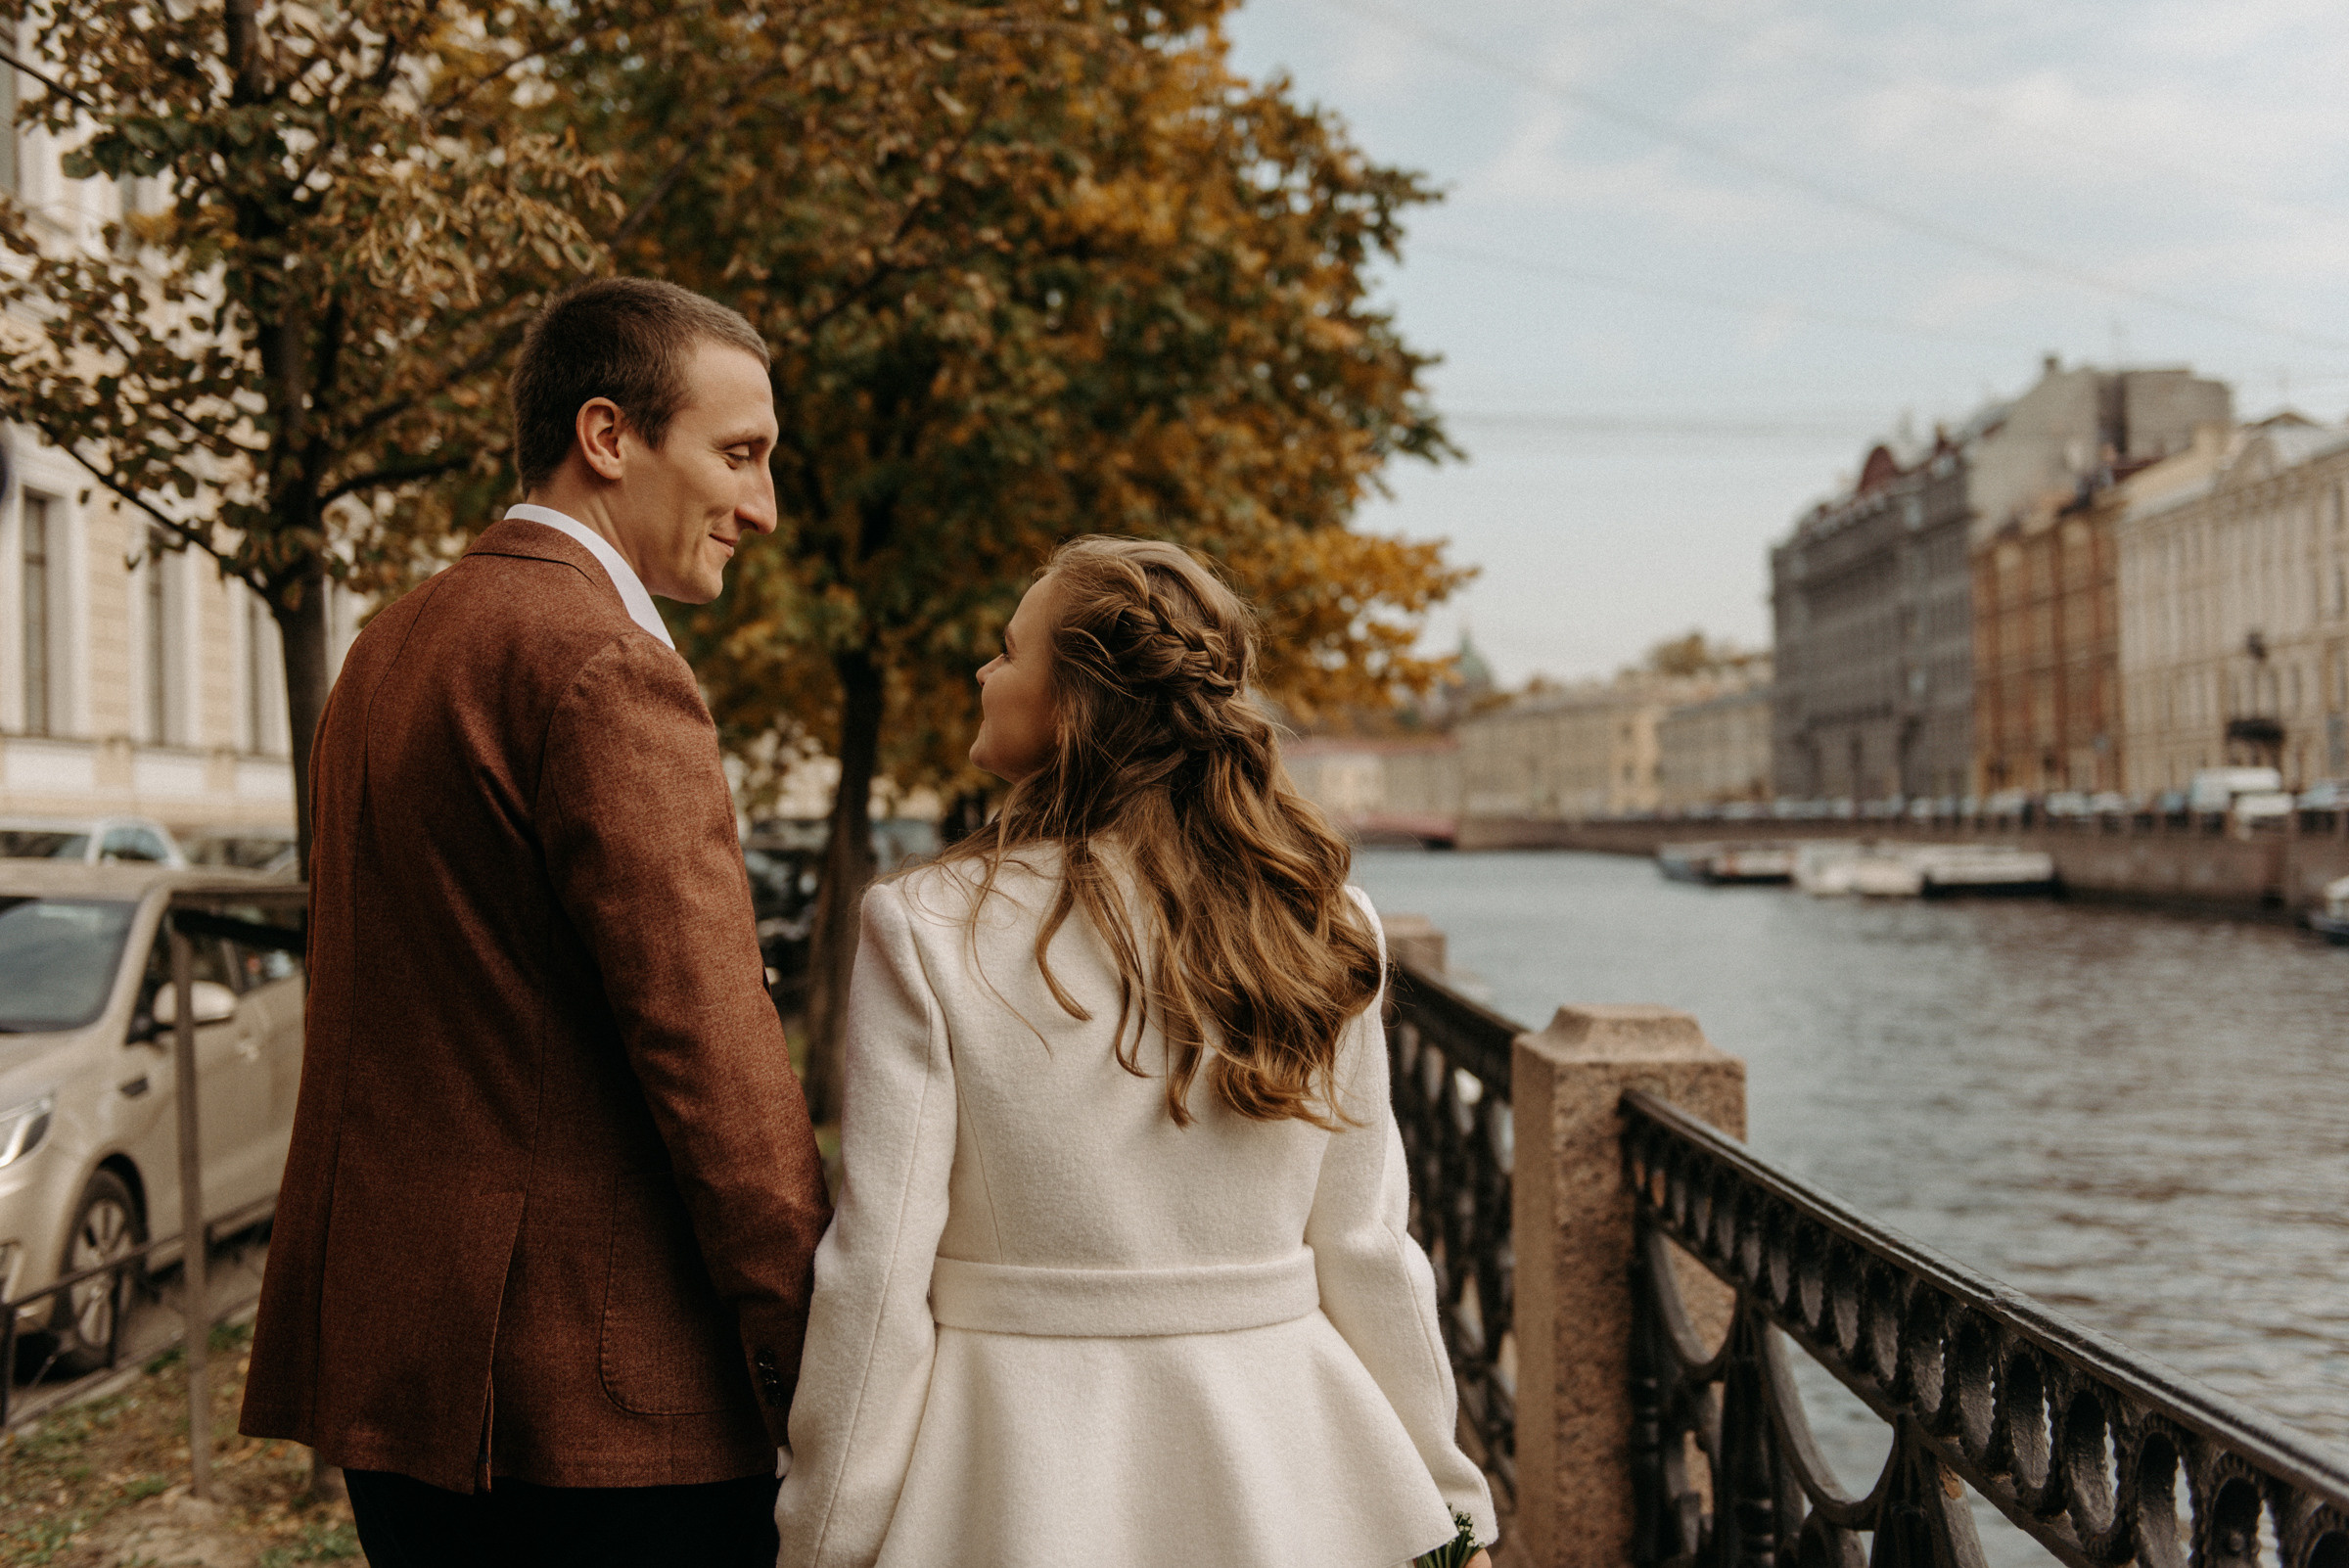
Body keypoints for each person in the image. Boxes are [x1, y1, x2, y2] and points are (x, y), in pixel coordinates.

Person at [240, 278, 831, 1566]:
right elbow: (714, 1061)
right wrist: (822, 1358)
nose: (763, 507)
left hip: (402, 1382)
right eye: (740, 454)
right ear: (607, 435)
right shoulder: (606, 664)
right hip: (604, 1415)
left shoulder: (387, 646)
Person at [774, 537, 1497, 1567]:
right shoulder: (1323, 924)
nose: (983, 671)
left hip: (1016, 1472)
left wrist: (822, 1538)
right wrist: (1451, 1509)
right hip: (1290, 1463)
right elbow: (1370, 1250)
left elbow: (880, 1271)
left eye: (1007, 650)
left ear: (1075, 704)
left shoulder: (928, 926)